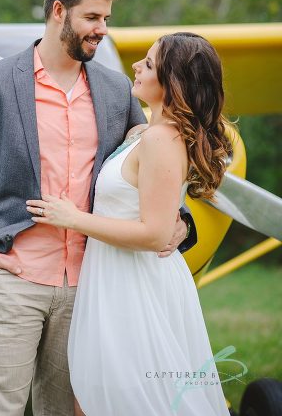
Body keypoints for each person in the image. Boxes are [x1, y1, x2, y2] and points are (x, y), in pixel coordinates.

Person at [0, 0, 196, 416]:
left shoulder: (117, 91)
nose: (102, 29)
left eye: (106, 18)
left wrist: (180, 221)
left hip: (92, 289)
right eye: (92, 17)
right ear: (58, 11)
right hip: (9, 281)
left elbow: (152, 163)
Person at [27, 32, 231, 415]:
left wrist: (74, 219)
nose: (136, 66)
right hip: (113, 280)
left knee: (121, 400)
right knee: (96, 396)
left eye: (149, 64)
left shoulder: (162, 141)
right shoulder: (144, 134)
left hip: (136, 288)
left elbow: (155, 234)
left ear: (173, 84)